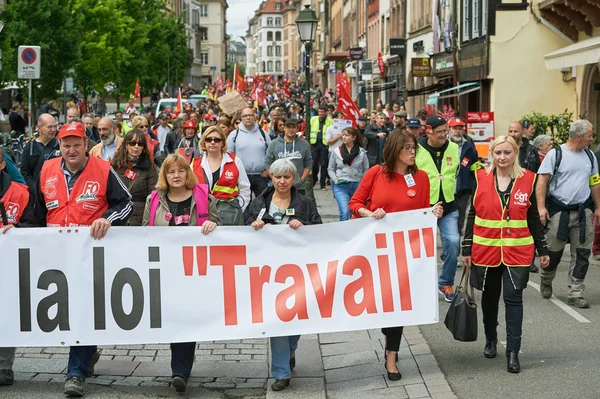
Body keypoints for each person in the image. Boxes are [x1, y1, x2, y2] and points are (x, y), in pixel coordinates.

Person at [20, 122, 132, 397]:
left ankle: (76, 372)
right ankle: (88, 352)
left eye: (77, 144)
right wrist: (16, 233)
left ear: (86, 145)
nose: (71, 150)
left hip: (90, 253)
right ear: (60, 146)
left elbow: (126, 202)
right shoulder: (47, 169)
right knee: (69, 310)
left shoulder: (103, 169)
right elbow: (36, 214)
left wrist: (107, 218)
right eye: (66, 144)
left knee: (83, 307)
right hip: (56, 255)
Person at [348, 132, 442, 382]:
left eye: (414, 148)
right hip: (377, 250)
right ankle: (389, 336)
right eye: (407, 148)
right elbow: (354, 203)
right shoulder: (377, 173)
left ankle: (391, 357)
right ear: (394, 150)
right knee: (384, 303)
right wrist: (369, 213)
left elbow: (422, 211)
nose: (413, 152)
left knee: (397, 306)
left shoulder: (421, 178)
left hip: (406, 253)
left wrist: (434, 212)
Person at [462, 135, 549, 374]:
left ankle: (513, 351)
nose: (502, 157)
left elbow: (532, 217)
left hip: (517, 252)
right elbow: (472, 214)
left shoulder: (528, 180)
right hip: (486, 250)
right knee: (489, 299)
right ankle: (491, 339)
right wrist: (466, 248)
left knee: (514, 300)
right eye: (498, 153)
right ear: (492, 154)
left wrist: (543, 249)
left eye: (507, 153)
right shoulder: (480, 177)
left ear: (515, 153)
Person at [142, 153, 219, 393]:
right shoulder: (153, 199)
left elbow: (220, 228)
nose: (176, 175)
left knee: (185, 317)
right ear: (164, 176)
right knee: (171, 317)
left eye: (181, 171)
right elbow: (145, 231)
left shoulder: (204, 196)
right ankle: (181, 366)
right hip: (163, 268)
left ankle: (180, 371)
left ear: (188, 173)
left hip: (194, 270)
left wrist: (213, 226)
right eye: (171, 172)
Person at [246, 158, 321, 392]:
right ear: (271, 178)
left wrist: (305, 226)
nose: (281, 181)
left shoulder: (305, 203)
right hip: (268, 273)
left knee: (295, 319)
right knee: (277, 320)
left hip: (297, 271)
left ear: (293, 178)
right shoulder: (259, 202)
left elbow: (321, 232)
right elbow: (244, 227)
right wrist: (254, 224)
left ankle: (290, 350)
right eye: (277, 177)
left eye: (286, 177)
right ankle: (281, 372)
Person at [537, 120, 600, 308]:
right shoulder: (555, 154)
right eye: (590, 134)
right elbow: (542, 182)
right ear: (579, 136)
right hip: (559, 212)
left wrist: (598, 207)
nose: (592, 138)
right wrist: (541, 208)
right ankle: (546, 279)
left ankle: (576, 292)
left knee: (581, 254)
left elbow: (595, 183)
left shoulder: (590, 156)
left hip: (583, 211)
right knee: (553, 253)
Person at [416, 115, 461, 302]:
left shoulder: (453, 148)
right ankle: (418, 284)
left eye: (446, 131)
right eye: (440, 131)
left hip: (448, 206)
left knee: (453, 242)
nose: (444, 135)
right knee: (420, 249)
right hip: (423, 207)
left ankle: (445, 283)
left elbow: (457, 172)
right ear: (429, 131)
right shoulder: (416, 149)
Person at [0, 147, 31, 387]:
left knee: (6, 311)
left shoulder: (21, 193)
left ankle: (4, 365)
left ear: (2, 165)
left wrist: (18, 231)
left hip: (9, 263)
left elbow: (35, 222)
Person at [190, 127, 251, 225]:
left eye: (217, 140)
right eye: (209, 139)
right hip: (202, 213)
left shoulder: (235, 161)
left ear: (222, 143)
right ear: (204, 142)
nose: (213, 142)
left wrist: (238, 209)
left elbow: (245, 189)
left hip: (230, 213)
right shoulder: (194, 164)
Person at [508, 121, 541, 272]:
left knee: (530, 224)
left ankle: (530, 258)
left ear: (523, 132)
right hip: (508, 190)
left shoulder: (531, 150)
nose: (513, 134)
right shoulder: (505, 148)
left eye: (516, 131)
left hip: (528, 191)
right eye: (510, 131)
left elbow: (538, 173)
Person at [111, 130, 158, 226]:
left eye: (140, 144)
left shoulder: (150, 167)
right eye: (132, 143)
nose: (136, 147)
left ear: (143, 148)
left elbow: (153, 195)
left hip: (139, 216)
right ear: (126, 145)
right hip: (118, 213)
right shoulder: (115, 165)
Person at [226, 108, 271, 197]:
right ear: (241, 118)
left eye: (250, 115)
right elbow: (228, 156)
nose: (248, 118)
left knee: (262, 204)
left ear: (255, 117)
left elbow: (271, 153)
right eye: (245, 116)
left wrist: (268, 170)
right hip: (242, 177)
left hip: (261, 176)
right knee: (244, 206)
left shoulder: (263, 133)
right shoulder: (234, 135)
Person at [328, 127, 369, 221]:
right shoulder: (336, 151)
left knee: (357, 213)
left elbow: (366, 168)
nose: (344, 137)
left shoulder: (361, 152)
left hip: (357, 186)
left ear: (354, 137)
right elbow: (330, 169)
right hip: (341, 186)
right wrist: (335, 180)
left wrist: (363, 181)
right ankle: (345, 235)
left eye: (347, 135)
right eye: (343, 135)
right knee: (345, 212)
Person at [448, 117, 480, 236]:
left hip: (463, 187)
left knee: (460, 217)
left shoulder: (469, 145)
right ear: (449, 129)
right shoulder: (443, 144)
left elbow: (475, 164)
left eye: (460, 129)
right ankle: (449, 244)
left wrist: (474, 183)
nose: (457, 131)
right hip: (447, 187)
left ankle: (455, 243)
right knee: (446, 218)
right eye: (454, 128)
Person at [264, 119, 312, 195]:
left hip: (298, 186)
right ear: (284, 128)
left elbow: (308, 163)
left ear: (297, 128)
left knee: (298, 206)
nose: (291, 129)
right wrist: (275, 179)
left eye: (293, 127)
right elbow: (267, 163)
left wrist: (301, 179)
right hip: (280, 186)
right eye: (288, 127)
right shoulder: (274, 144)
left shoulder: (304, 144)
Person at [20, 113, 60, 199]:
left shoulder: (60, 145)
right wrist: (36, 191)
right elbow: (25, 172)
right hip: (36, 196)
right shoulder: (29, 148)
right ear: (39, 128)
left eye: (55, 126)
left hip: (57, 192)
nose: (53, 130)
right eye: (49, 127)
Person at [308, 105, 333, 191]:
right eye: (319, 112)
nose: (321, 113)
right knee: (314, 164)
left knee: (324, 165)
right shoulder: (313, 119)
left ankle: (322, 184)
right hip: (315, 144)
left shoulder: (330, 121)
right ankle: (314, 179)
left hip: (324, 145)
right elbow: (308, 128)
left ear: (325, 112)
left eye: (322, 112)